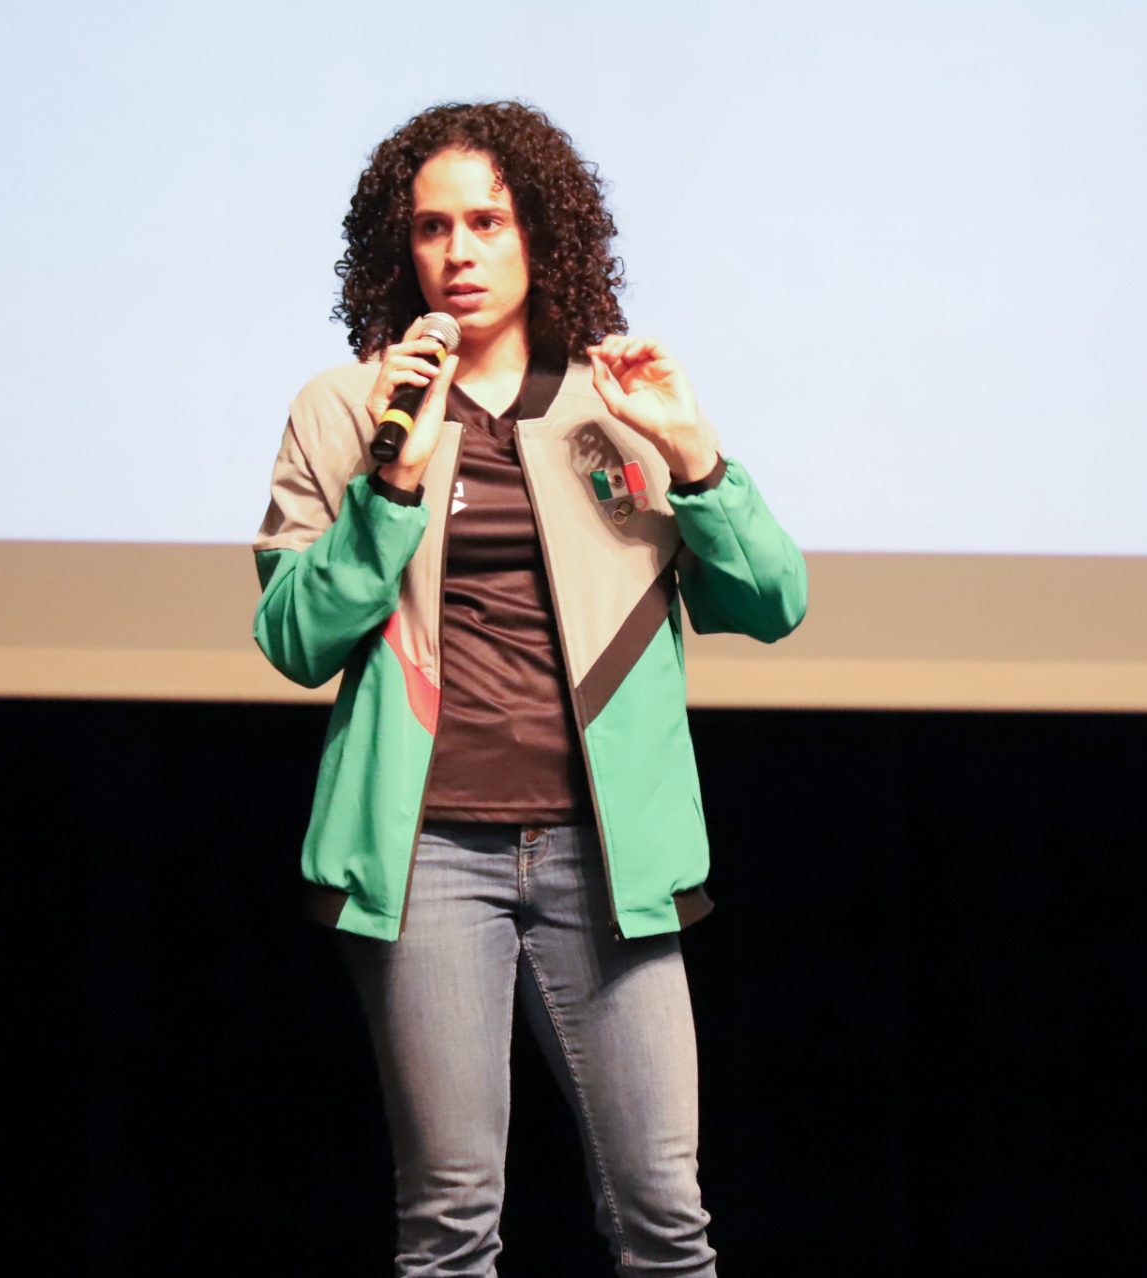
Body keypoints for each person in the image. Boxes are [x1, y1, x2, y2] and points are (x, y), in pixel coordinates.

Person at [252, 100, 807, 1278]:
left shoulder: (619, 402)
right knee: (451, 1226)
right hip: (426, 854)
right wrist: (389, 492)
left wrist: (698, 457)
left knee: (666, 1218)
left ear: (542, 233)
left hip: (606, 859)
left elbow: (772, 601)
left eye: (488, 222)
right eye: (432, 227)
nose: (458, 252)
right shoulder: (348, 408)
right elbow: (294, 638)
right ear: (399, 247)